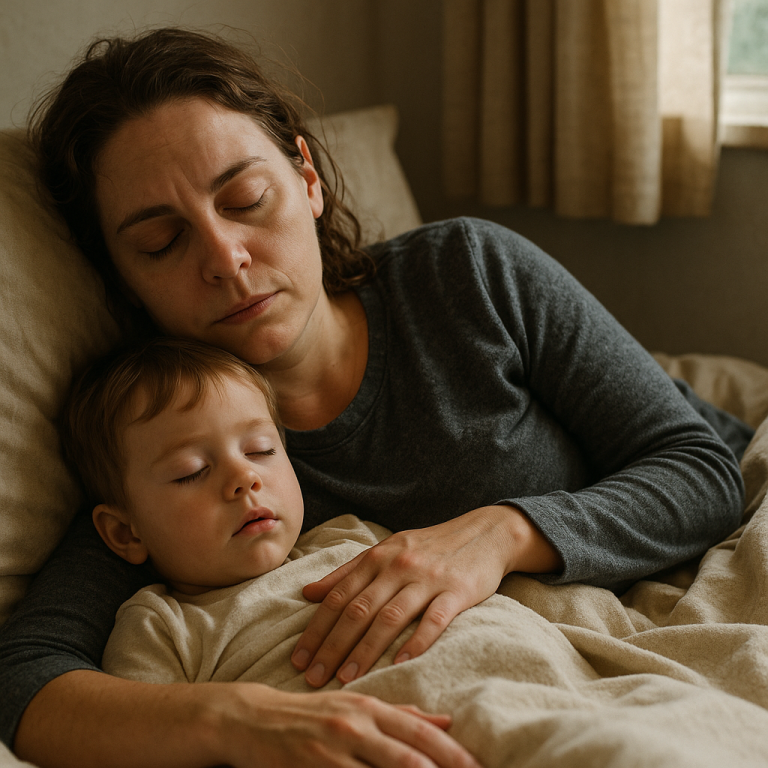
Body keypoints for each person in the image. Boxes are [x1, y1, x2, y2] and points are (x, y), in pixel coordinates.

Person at [0, 26, 751, 768]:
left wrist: (498, 534)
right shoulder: (169, 448)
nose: (226, 259)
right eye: (161, 244)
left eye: (247, 198)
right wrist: (238, 720)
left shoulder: (466, 272)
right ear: (121, 278)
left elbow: (700, 467)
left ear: (307, 178)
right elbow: (27, 676)